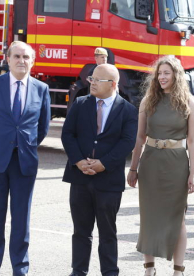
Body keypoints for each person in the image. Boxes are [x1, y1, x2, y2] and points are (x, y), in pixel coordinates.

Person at [0, 41, 51, 276]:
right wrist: (0, 144)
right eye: (17, 56)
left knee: (21, 221)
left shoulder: (41, 89)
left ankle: (20, 269)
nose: (21, 61)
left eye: (26, 57)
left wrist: (22, 146)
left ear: (33, 61)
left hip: (24, 162)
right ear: (7, 60)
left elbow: (43, 128)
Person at [61, 63, 138, 276]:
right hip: (80, 178)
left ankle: (110, 272)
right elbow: (68, 134)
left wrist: (104, 163)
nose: (91, 83)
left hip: (108, 180)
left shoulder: (128, 110)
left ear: (113, 84)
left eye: (97, 80)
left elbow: (127, 142)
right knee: (81, 231)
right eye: (91, 79)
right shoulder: (80, 103)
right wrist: (78, 161)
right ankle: (78, 271)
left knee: (107, 232)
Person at [127, 56, 194, 276]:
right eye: (159, 73)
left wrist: (193, 174)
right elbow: (140, 138)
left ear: (176, 75)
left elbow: (193, 141)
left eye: (167, 73)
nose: (162, 77)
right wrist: (133, 168)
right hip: (150, 164)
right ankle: (149, 269)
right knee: (149, 218)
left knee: (178, 219)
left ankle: (178, 271)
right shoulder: (148, 101)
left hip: (176, 164)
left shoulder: (190, 103)